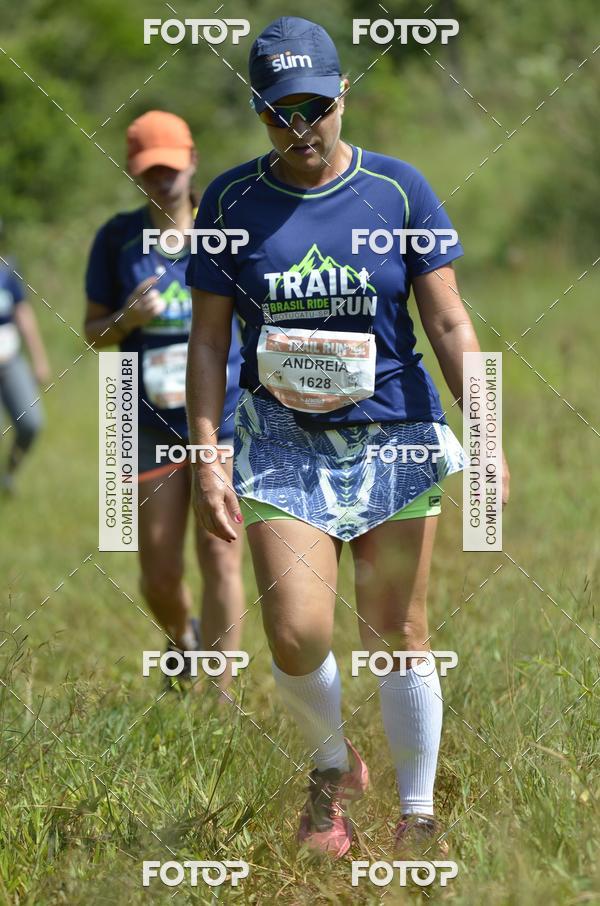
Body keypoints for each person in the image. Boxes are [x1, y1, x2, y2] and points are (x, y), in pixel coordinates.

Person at [186, 17, 510, 855]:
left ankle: (417, 816)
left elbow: (448, 323)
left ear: (344, 95)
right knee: (296, 633)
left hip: (397, 436)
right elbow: (210, 342)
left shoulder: (399, 191)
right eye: (278, 112)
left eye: (314, 107)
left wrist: (490, 435)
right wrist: (207, 449)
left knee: (398, 630)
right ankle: (331, 768)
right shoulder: (230, 201)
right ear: (258, 111)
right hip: (279, 443)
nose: (300, 128)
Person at [84, 111, 245, 691]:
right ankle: (184, 639)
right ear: (134, 173)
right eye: (150, 171)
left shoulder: (224, 233)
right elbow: (93, 333)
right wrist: (127, 318)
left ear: (193, 161)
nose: (162, 180)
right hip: (146, 426)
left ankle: (221, 697)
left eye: (171, 168)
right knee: (158, 573)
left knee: (222, 556)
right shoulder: (116, 240)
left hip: (221, 421)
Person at [0, 221, 50, 494]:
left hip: (11, 361)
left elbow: (23, 314)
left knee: (31, 423)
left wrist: (39, 359)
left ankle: (8, 475)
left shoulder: (8, 269)